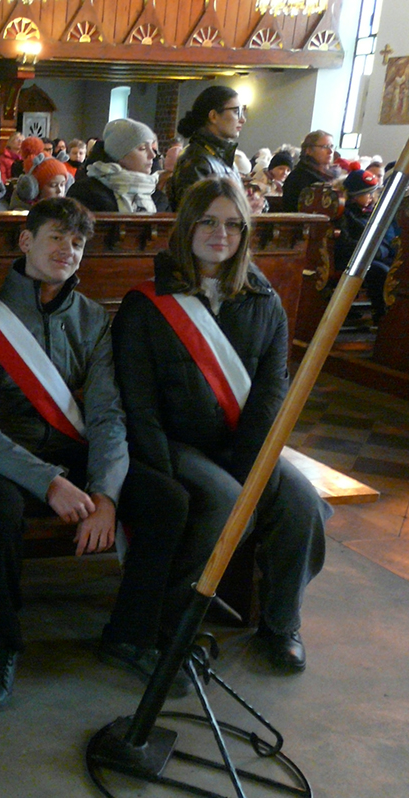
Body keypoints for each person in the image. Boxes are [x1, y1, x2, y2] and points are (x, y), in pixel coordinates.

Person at [107, 177, 327, 676]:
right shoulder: (146, 305)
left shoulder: (264, 300)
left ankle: (281, 623)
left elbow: (272, 391)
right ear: (187, 226)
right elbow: (137, 400)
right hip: (175, 445)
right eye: (208, 221)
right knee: (226, 503)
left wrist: (251, 465)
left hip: (242, 444)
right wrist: (160, 468)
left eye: (232, 224)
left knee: (302, 503)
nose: (220, 234)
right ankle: (173, 622)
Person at [0, 196, 127, 709]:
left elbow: (107, 416)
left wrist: (106, 495)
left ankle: (136, 632)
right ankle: (2, 642)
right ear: (26, 240)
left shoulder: (94, 319)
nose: (67, 250)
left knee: (158, 494)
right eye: (56, 237)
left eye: (77, 243)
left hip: (76, 451)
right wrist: (48, 482)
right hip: (7, 457)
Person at [336, 168, 396, 327]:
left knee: (400, 268)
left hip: (375, 255)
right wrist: (374, 251)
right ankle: (380, 313)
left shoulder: (372, 212)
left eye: (372, 193)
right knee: (381, 272)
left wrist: (384, 250)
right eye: (367, 193)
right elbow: (345, 244)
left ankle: (397, 312)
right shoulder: (345, 214)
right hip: (355, 259)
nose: (371, 197)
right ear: (354, 196)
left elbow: (385, 237)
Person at [67, 118, 167, 213]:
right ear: (119, 154)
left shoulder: (157, 197)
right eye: (143, 148)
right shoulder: (85, 193)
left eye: (152, 148)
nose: (152, 155)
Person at [169, 86, 243, 208]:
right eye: (236, 112)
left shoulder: (222, 157)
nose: (243, 119)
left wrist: (252, 204)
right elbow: (195, 212)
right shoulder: (195, 160)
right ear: (213, 116)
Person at [279, 130, 338, 212]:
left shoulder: (333, 175)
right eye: (325, 147)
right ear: (309, 150)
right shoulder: (299, 177)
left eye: (331, 146)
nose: (330, 151)